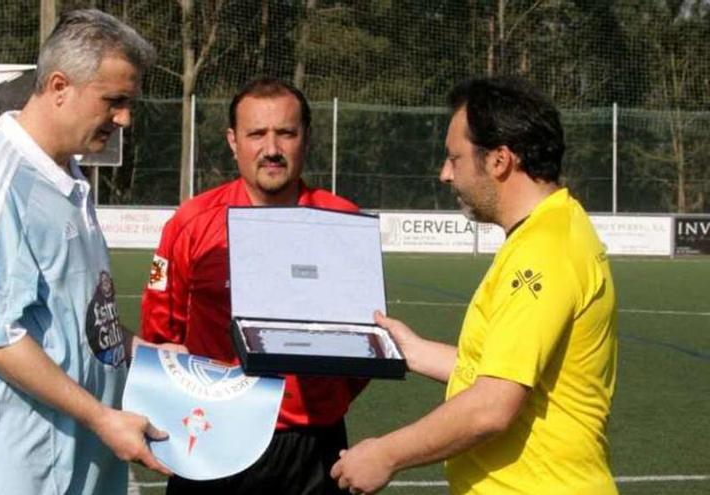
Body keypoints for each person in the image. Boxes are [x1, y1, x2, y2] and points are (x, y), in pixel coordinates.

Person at [0, 9, 176, 494]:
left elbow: (76, 317)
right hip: (4, 468)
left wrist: (148, 354)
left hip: (70, 461)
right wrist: (101, 416)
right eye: (114, 101)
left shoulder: (68, 180)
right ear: (59, 87)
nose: (125, 118)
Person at [331, 76, 618, 494]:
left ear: (499, 160)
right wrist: (412, 350)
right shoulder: (551, 229)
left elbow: (491, 406)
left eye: (455, 158)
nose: (445, 174)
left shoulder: (545, 248)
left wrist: (385, 454)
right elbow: (501, 371)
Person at [141, 77, 367, 495]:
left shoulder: (344, 222)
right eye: (256, 134)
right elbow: (161, 335)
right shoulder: (191, 222)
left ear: (306, 138)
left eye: (286, 133)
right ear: (232, 140)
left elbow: (366, 344)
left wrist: (321, 399)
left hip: (311, 444)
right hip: (212, 436)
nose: (272, 149)